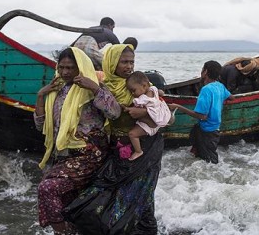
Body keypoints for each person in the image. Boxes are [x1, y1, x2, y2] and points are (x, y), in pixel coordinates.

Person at [63, 44, 163, 234]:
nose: (129, 66)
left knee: (143, 192)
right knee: (110, 190)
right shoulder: (103, 87)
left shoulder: (141, 86)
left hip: (147, 146)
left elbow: (166, 116)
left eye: (131, 62)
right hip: (119, 146)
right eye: (124, 62)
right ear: (111, 62)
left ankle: (145, 229)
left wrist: (144, 111)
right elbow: (112, 113)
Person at [34, 47, 121, 234]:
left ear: (80, 67)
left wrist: (94, 87)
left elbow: (115, 112)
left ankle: (63, 232)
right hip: (64, 155)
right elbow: (41, 126)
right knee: (67, 203)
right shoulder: (56, 91)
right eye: (62, 67)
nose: (65, 72)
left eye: (70, 68)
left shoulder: (91, 89)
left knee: (47, 188)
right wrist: (41, 96)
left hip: (89, 155)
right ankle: (71, 229)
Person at [168, 61, 232, 164]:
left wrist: (178, 106)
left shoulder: (206, 90)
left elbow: (202, 116)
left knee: (210, 162)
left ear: (205, 72)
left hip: (207, 131)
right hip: (214, 129)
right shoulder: (220, 86)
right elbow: (231, 97)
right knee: (201, 150)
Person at [126, 71, 172, 161]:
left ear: (144, 86)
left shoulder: (142, 99)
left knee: (132, 134)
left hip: (148, 126)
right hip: (158, 121)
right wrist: (160, 93)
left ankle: (138, 151)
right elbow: (161, 92)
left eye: (133, 90)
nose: (132, 94)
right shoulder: (153, 89)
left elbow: (134, 104)